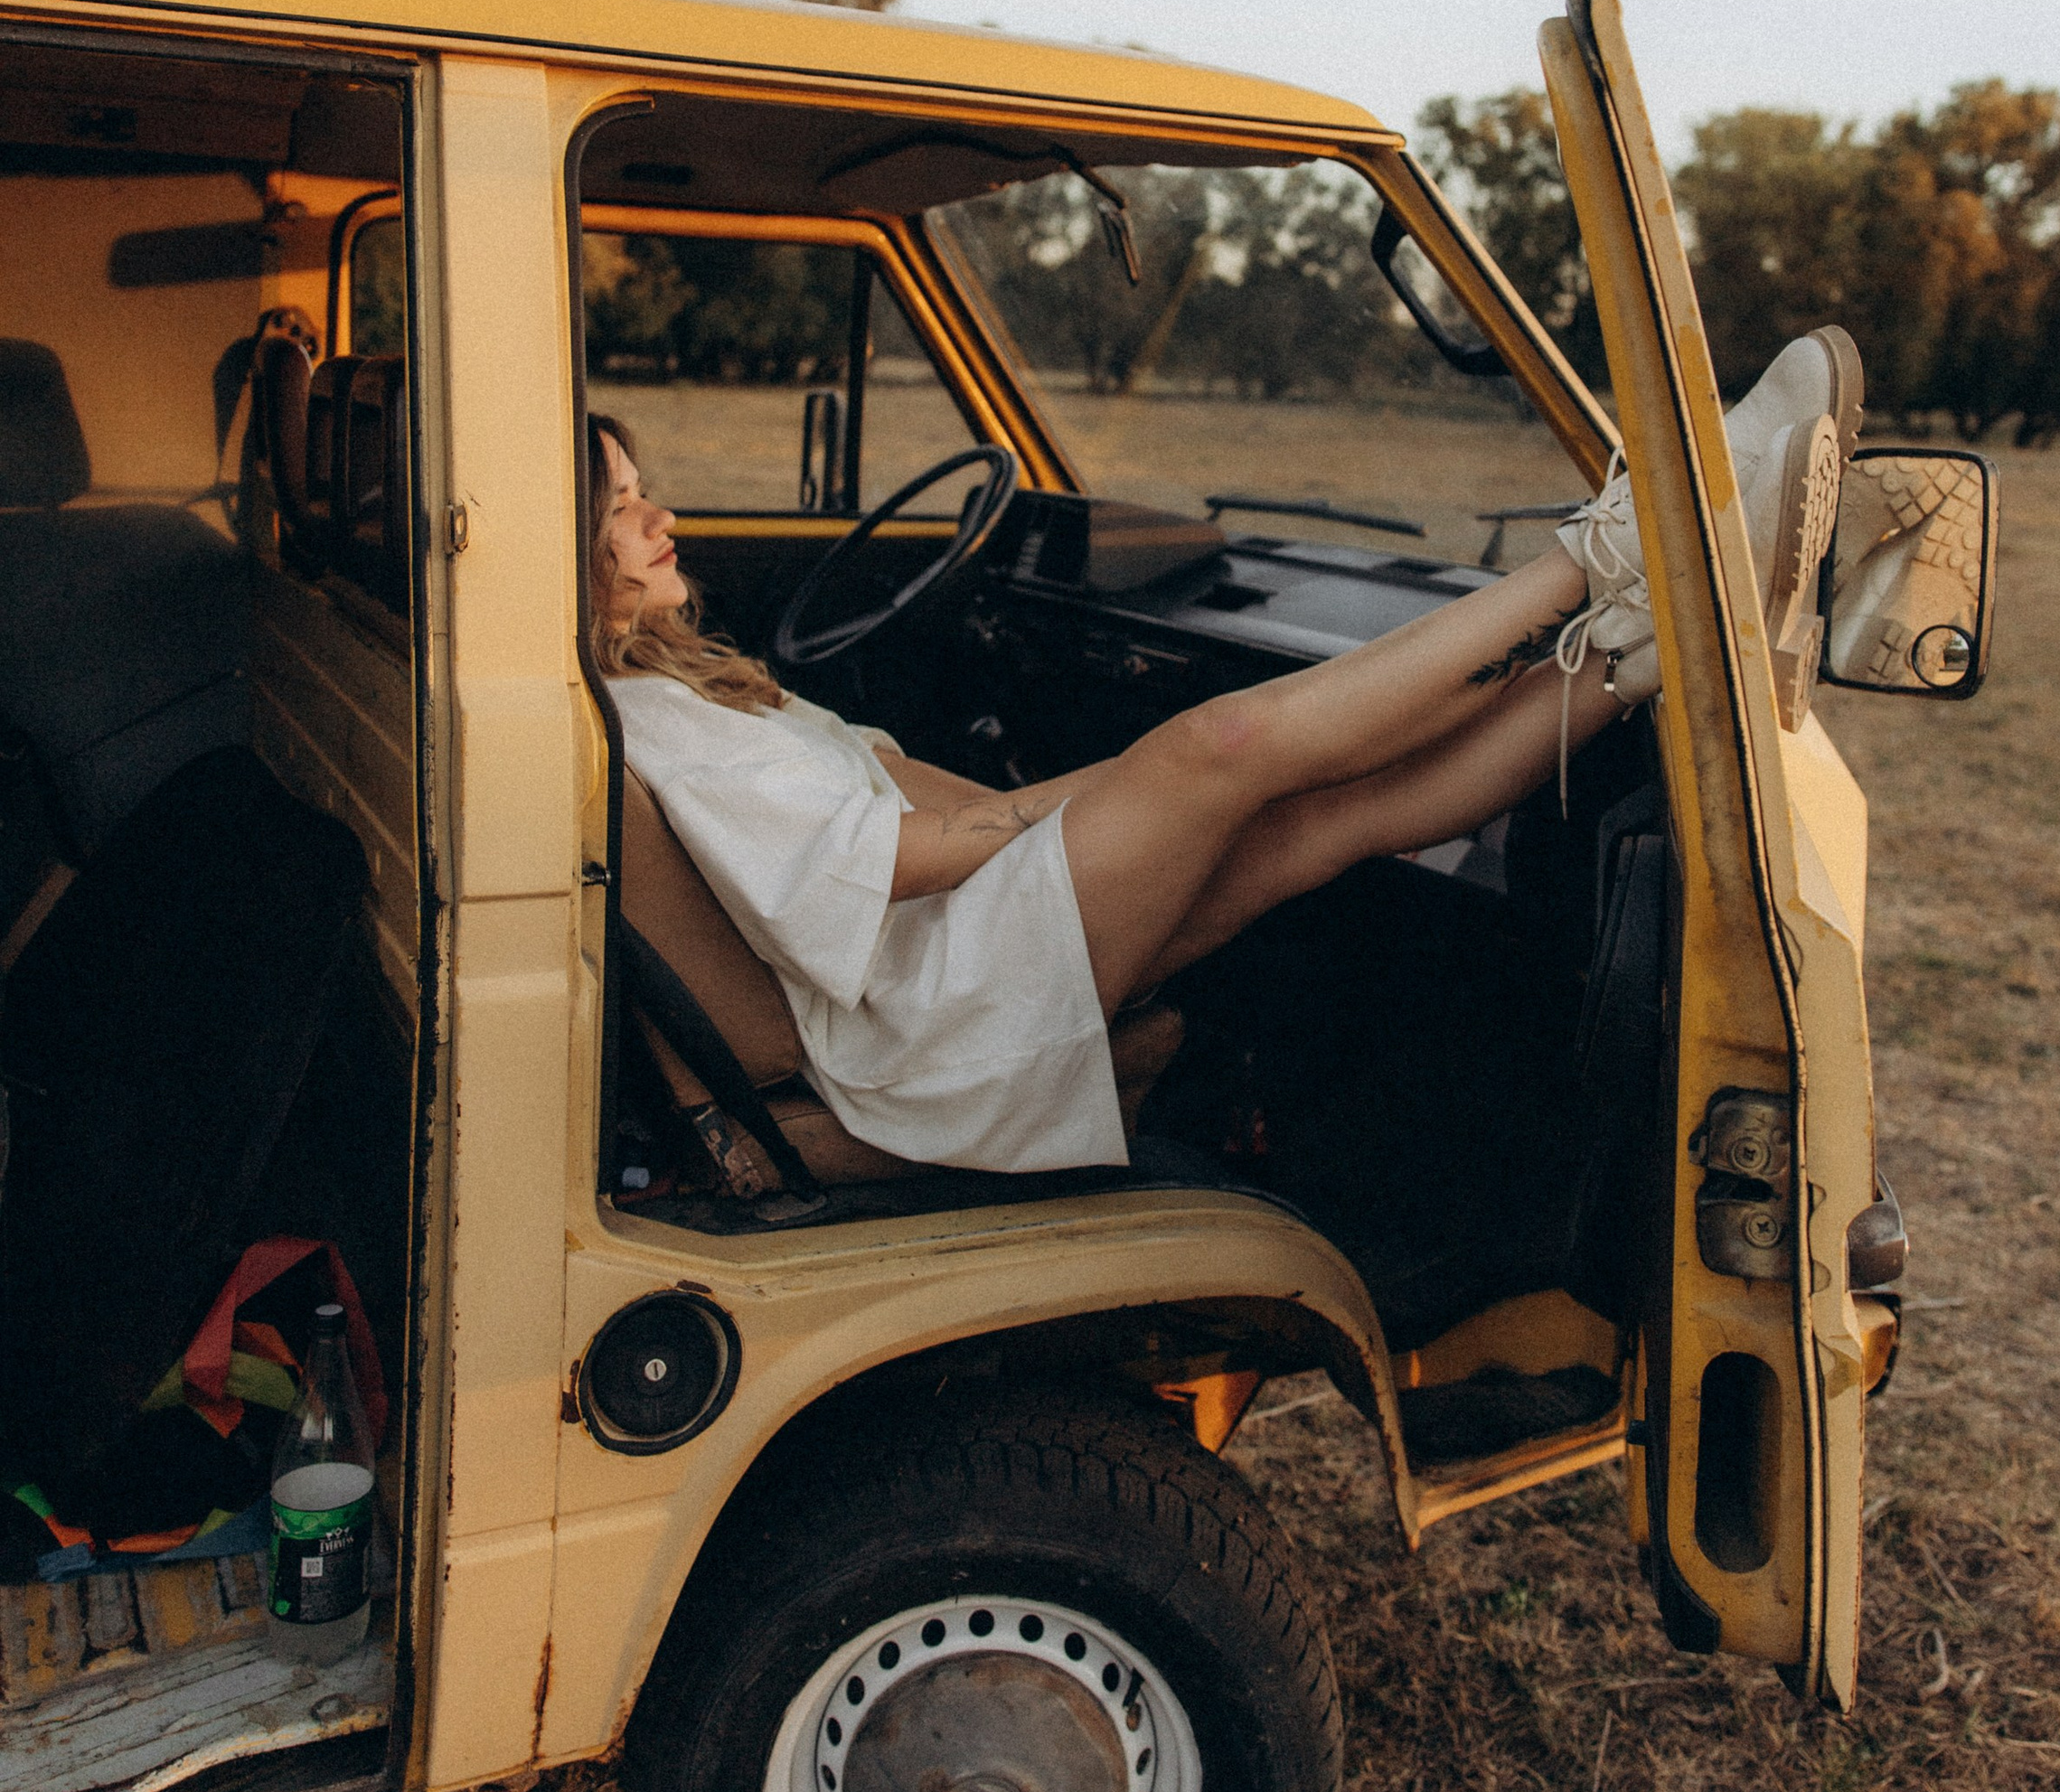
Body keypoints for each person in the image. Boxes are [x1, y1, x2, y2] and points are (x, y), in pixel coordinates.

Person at [593, 328, 1863, 1177]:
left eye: (641, 485)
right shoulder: (643, 722)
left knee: (1312, 820)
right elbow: (898, 860)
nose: (658, 514)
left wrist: (1118, 807)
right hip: (925, 1014)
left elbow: (891, 782)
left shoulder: (662, 687)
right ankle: (1604, 558)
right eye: (612, 504)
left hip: (930, 966)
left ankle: (1654, 644)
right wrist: (1120, 792)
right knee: (1235, 742)